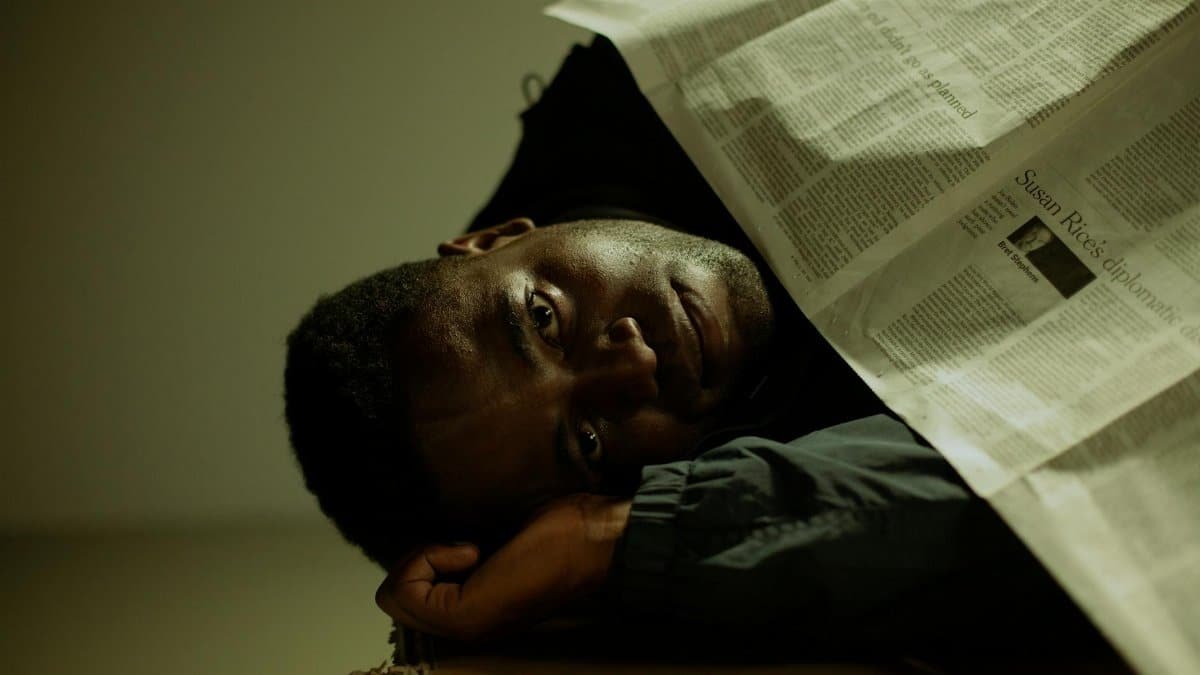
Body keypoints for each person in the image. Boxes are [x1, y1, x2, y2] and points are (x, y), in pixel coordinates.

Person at [284, 37, 1108, 660]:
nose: (633, 366)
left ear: (496, 238)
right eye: (589, 439)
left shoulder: (651, 72)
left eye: (542, 318)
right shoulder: (744, 496)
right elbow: (1062, 485)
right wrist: (609, 539)